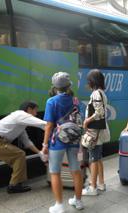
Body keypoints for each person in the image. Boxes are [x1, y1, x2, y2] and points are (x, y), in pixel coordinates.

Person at [41, 72, 84, 212]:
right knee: (76, 170)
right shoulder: (75, 100)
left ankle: (59, 205)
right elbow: (79, 120)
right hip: (74, 139)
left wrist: (45, 145)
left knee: (54, 172)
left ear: (55, 86)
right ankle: (78, 202)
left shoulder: (51, 101)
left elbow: (49, 125)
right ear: (68, 86)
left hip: (57, 141)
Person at [0, 101, 46, 193]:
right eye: (35, 111)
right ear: (29, 109)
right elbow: (44, 124)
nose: (36, 114)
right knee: (19, 155)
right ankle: (14, 185)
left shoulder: (19, 123)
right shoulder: (21, 114)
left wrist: (40, 153)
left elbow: (27, 142)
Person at [82, 69, 110, 196]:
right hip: (99, 131)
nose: (87, 83)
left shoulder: (96, 94)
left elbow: (99, 113)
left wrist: (87, 121)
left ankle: (93, 188)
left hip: (95, 132)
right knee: (98, 158)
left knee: (93, 158)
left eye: (88, 80)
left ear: (92, 81)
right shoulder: (101, 93)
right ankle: (101, 184)